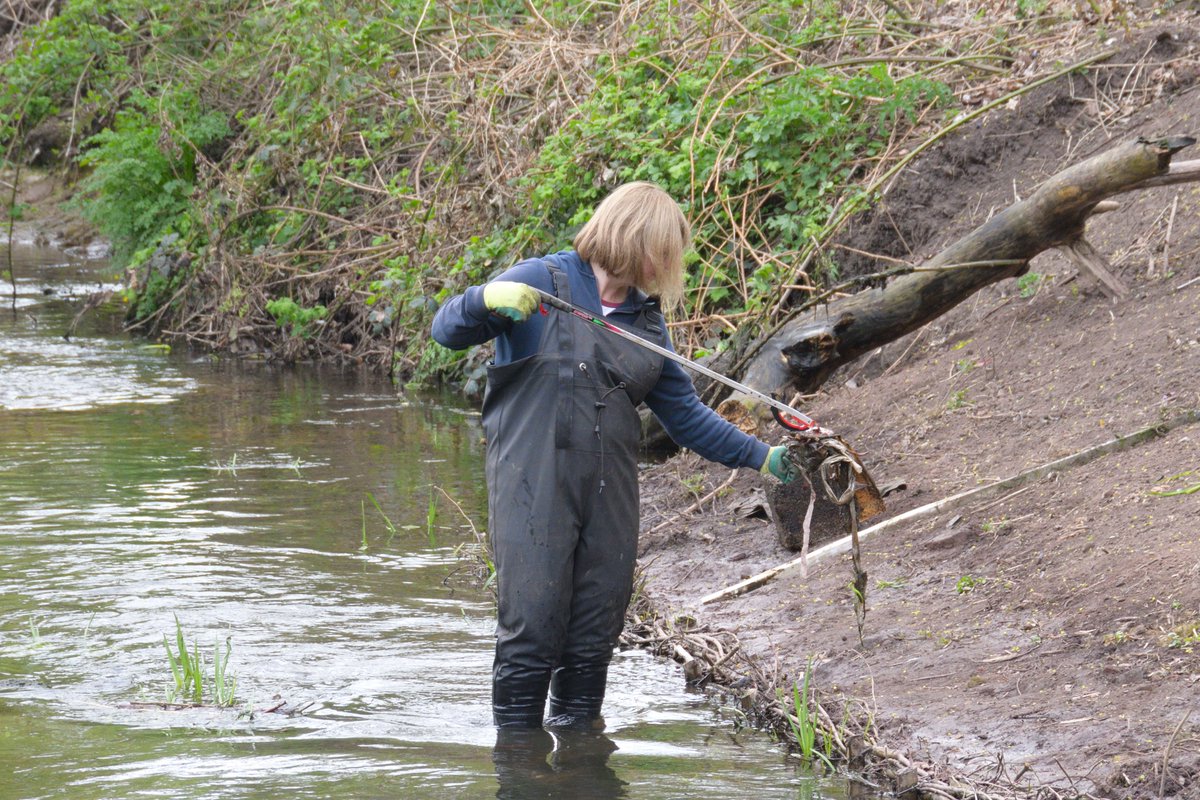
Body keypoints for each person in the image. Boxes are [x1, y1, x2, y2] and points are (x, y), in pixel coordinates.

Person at [431, 181, 798, 730]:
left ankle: (580, 758)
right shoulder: (540, 280)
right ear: (634, 239)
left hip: (610, 501)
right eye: (666, 252)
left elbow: (687, 416)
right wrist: (484, 299)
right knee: (532, 632)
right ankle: (519, 764)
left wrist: (762, 457)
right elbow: (445, 330)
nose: (671, 266)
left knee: (592, 639)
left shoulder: (646, 323)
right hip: (531, 491)